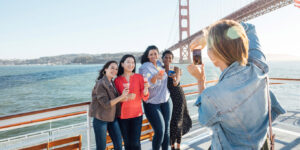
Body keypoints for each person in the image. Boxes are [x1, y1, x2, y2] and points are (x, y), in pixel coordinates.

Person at [187, 20, 285, 149]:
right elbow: (249, 27)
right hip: (262, 144)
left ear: (212, 57)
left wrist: (201, 80)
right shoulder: (259, 66)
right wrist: (207, 37)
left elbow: (204, 119)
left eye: (210, 46)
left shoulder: (211, 96)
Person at [139, 45, 173, 150]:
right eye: (151, 54)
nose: (154, 56)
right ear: (148, 56)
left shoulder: (159, 64)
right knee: (160, 130)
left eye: (155, 53)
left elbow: (167, 75)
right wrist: (155, 78)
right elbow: (147, 83)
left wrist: (174, 72)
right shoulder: (144, 67)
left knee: (167, 129)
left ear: (158, 55)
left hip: (166, 100)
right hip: (152, 103)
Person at [89, 61, 128, 150]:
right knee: (101, 147)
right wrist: (121, 96)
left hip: (112, 117)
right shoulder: (100, 83)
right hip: (101, 119)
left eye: (116, 69)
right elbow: (106, 104)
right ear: (106, 69)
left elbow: (115, 100)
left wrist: (123, 97)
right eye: (112, 68)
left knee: (118, 144)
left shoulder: (112, 83)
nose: (114, 70)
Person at [114, 54, 149, 150]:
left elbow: (144, 96)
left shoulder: (139, 77)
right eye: (128, 62)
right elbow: (115, 99)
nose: (131, 64)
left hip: (137, 115)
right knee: (127, 143)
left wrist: (146, 89)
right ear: (122, 64)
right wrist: (125, 97)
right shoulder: (117, 80)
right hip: (123, 115)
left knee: (136, 143)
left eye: (133, 62)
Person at [162, 50, 192, 150]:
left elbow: (176, 83)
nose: (168, 59)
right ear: (162, 59)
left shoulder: (176, 69)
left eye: (170, 58)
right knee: (172, 122)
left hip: (179, 97)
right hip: (170, 99)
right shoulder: (160, 70)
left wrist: (174, 78)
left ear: (172, 59)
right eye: (166, 57)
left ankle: (177, 147)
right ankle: (172, 146)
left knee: (177, 121)